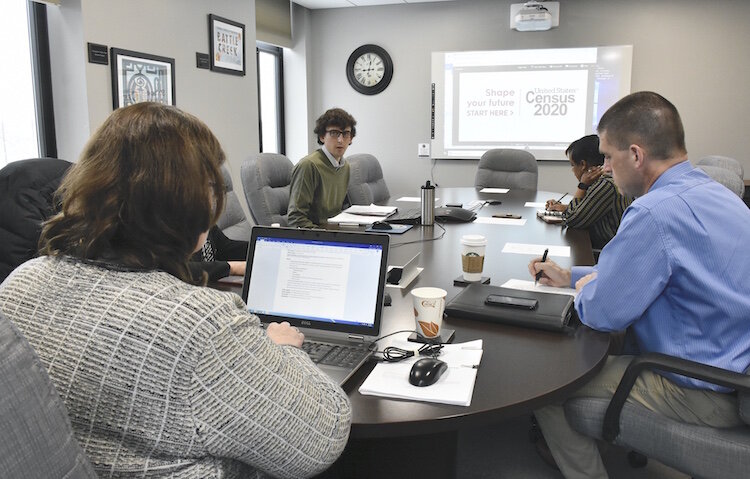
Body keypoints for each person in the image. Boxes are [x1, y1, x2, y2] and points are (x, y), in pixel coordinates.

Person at [0, 102, 351, 478]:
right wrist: (281, 351)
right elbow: (323, 437)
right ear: (197, 201)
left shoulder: (20, 283)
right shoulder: (200, 324)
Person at [528, 91, 750, 478]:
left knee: (545, 385)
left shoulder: (653, 213)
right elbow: (654, 272)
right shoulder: (719, 194)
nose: (606, 169)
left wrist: (583, 292)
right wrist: (573, 277)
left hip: (703, 386)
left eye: (609, 157)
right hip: (735, 365)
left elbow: (603, 314)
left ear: (635, 155)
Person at [545, 135, 632, 250]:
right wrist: (564, 207)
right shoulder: (605, 180)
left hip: (606, 252)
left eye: (572, 165)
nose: (572, 170)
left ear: (583, 165)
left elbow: (572, 220)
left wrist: (582, 186)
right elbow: (587, 209)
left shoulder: (605, 184)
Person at [288, 108, 356, 228]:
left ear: (351, 138)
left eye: (345, 134)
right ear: (322, 136)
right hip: (315, 238)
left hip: (334, 233)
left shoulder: (345, 167)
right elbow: (296, 219)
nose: (340, 140)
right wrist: (324, 238)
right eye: (334, 133)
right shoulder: (308, 166)